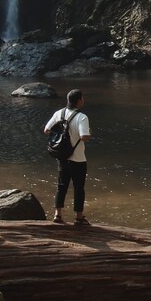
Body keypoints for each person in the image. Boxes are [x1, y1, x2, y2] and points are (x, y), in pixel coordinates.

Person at [44, 88, 91, 225]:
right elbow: (84, 137)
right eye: (82, 98)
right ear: (79, 100)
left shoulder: (59, 113)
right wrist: (89, 133)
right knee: (78, 187)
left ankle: (57, 215)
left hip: (62, 157)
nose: (83, 100)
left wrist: (59, 134)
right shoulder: (82, 117)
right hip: (78, 159)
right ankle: (79, 217)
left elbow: (46, 130)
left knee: (61, 186)